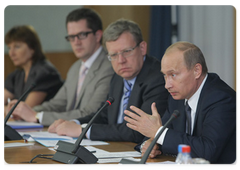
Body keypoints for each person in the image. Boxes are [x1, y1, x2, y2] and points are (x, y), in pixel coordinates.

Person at [48, 19, 169, 144]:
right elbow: (104, 115)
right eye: (114, 55)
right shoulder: (118, 77)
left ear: (142, 48)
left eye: (127, 51)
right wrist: (75, 122)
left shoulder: (157, 79)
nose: (121, 60)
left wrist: (82, 130)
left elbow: (139, 131)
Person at [124, 41, 237, 164]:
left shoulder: (222, 98)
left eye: (173, 74)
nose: (167, 85)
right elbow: (168, 135)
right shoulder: (177, 98)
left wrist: (158, 133)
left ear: (197, 71)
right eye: (165, 76)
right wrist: (150, 144)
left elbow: (207, 151)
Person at [9, 8, 114, 125]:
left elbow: (91, 113)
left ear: (98, 35)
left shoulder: (109, 67)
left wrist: (37, 116)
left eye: (82, 35)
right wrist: (26, 112)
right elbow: (57, 104)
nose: (76, 42)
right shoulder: (75, 68)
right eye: (71, 37)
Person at [2, 25, 63, 116]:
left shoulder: (45, 73)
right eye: (9, 48)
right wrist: (8, 109)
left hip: (45, 126)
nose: (11, 53)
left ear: (32, 48)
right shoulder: (16, 75)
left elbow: (25, 110)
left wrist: (6, 109)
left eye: (17, 47)